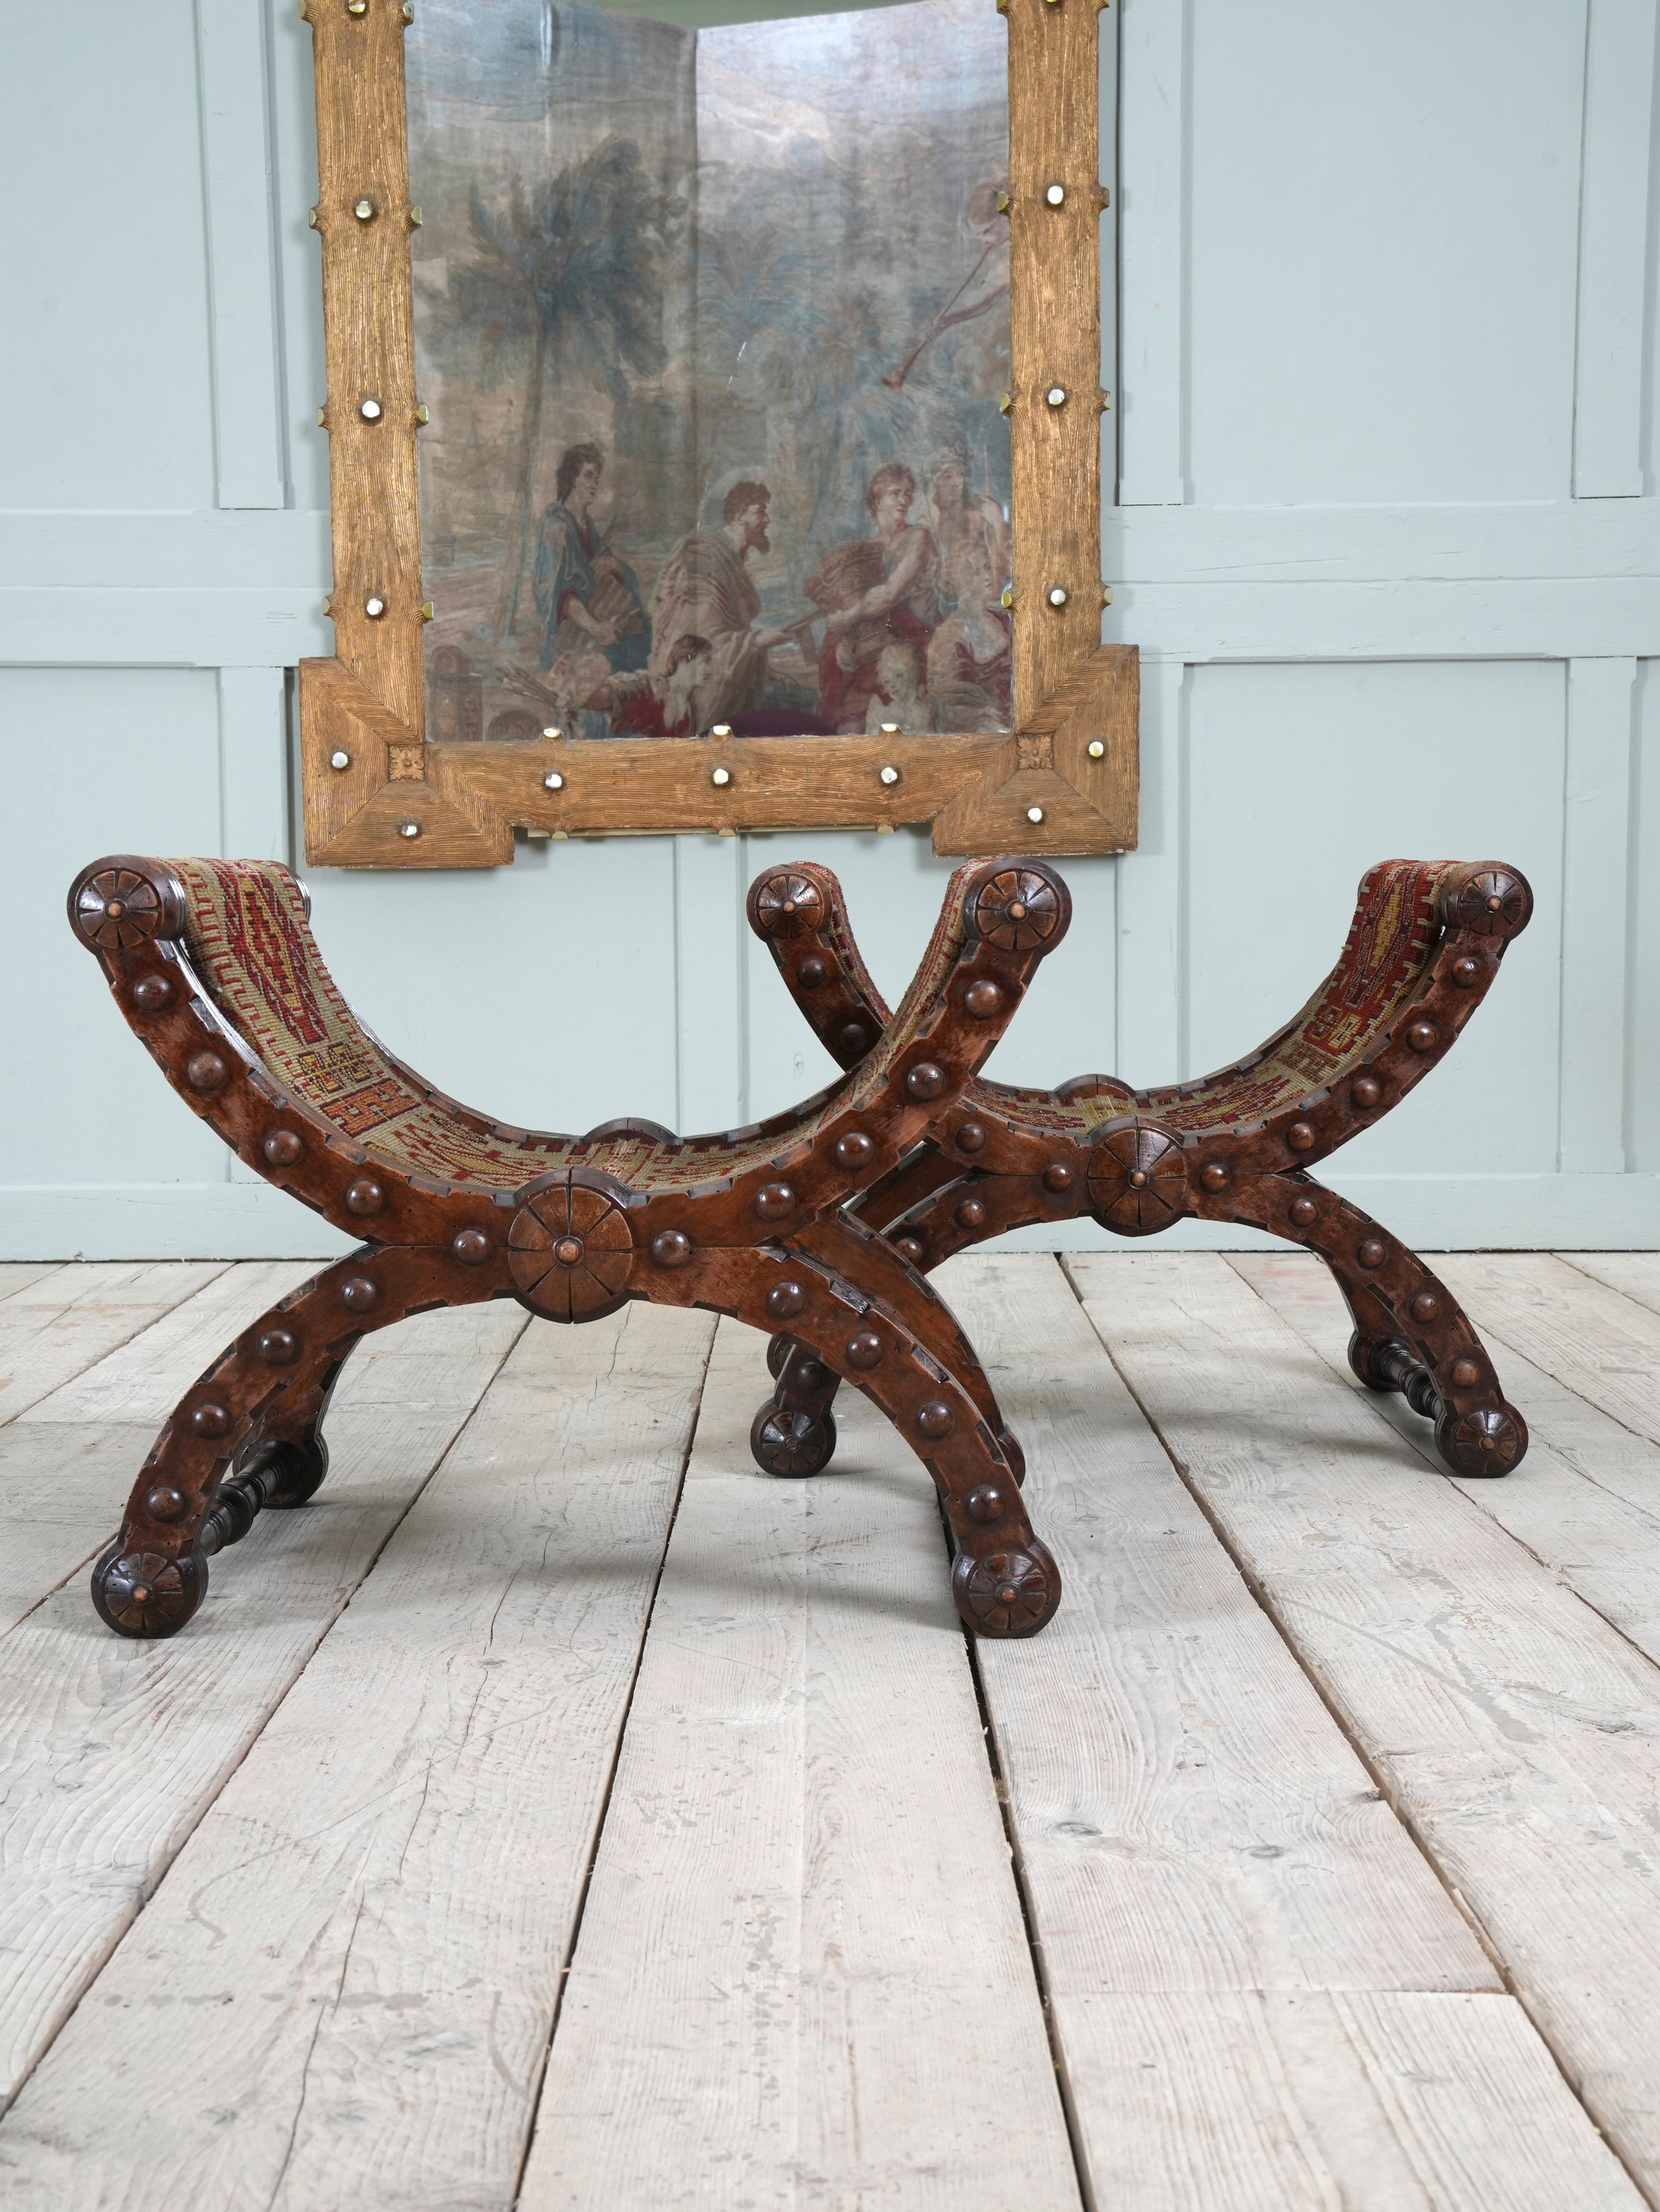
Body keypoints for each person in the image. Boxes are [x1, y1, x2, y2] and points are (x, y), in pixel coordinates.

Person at [650, 481, 794, 730]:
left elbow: (726, 636)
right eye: (760, 511)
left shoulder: (731, 563)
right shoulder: (707, 559)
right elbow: (700, 641)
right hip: (693, 690)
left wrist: (766, 667)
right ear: (739, 516)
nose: (767, 520)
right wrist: (757, 641)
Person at [816, 463, 942, 733]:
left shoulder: (919, 537)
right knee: (836, 645)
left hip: (917, 633)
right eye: (895, 494)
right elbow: (855, 599)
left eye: (907, 494)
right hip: (880, 631)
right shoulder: (868, 549)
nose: (904, 501)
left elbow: (889, 595)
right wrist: (846, 636)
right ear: (878, 500)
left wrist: (845, 619)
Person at [532, 442, 650, 675]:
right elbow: (561, 596)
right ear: (572, 479)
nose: (594, 484)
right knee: (618, 662)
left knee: (643, 635)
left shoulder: (588, 528)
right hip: (570, 637)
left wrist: (613, 565)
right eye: (588, 476)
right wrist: (596, 629)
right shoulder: (556, 528)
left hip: (597, 623)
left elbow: (617, 575)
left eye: (596, 478)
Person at [926, 539, 1013, 731]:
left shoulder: (1004, 618)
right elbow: (950, 707)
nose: (987, 576)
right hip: (985, 728)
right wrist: (984, 715)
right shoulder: (948, 637)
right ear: (959, 580)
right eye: (975, 572)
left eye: (987, 567)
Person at [862, 640, 935, 734]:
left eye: (899, 676)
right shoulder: (886, 713)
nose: (892, 685)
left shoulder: (928, 706)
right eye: (887, 681)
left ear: (913, 673)